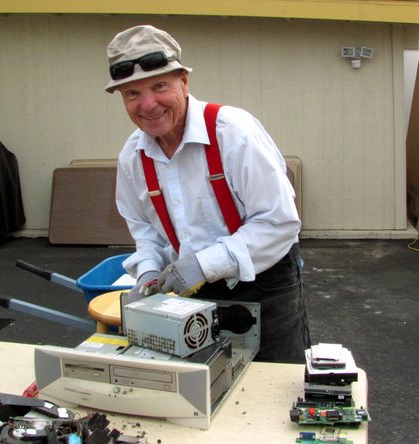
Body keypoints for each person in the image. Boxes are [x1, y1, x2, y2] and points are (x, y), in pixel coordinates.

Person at [105, 25, 310, 363]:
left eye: (159, 86)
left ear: (183, 81)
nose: (148, 104)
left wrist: (204, 263)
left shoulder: (233, 132)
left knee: (272, 393)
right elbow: (145, 232)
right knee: (202, 392)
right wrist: (149, 273)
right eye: (132, 93)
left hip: (265, 286)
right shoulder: (132, 157)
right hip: (187, 296)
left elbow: (279, 223)